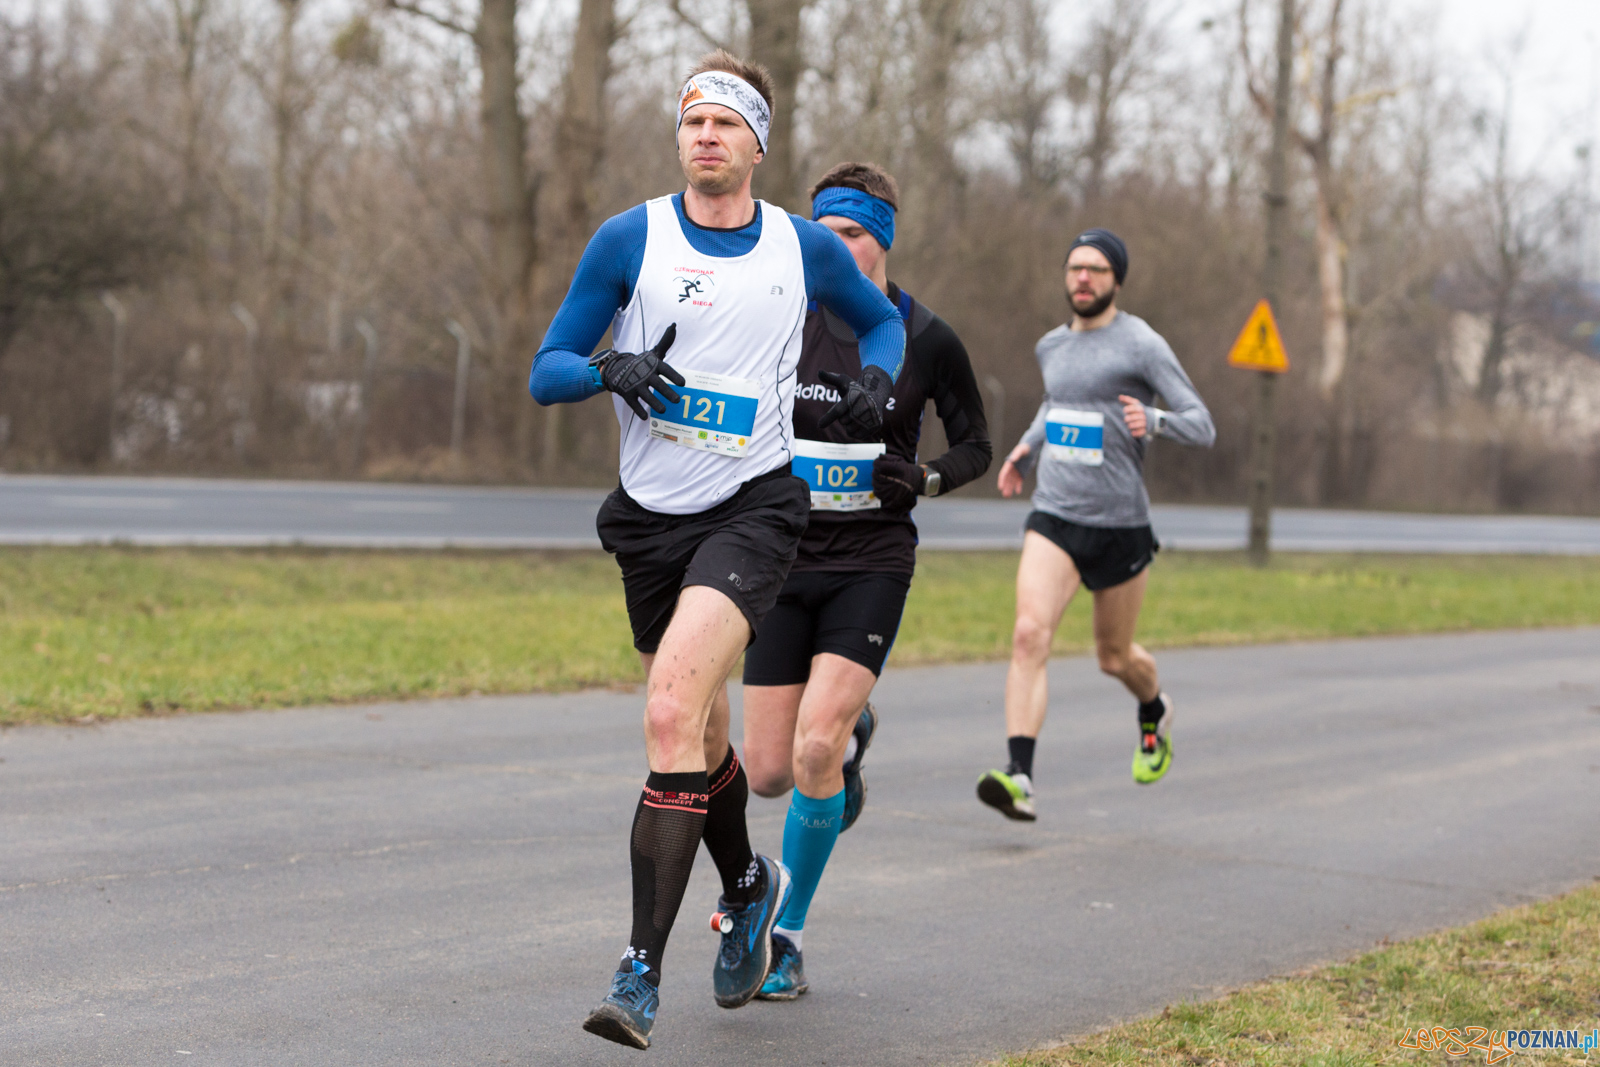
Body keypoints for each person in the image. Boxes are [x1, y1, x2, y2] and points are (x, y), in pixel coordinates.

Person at [527, 52, 906, 1050]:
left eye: (725, 123)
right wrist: (608, 366)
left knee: (664, 712)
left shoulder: (799, 248)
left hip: (753, 507)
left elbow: (882, 323)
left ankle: (638, 972)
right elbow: (545, 369)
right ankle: (747, 880)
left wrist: (876, 378)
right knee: (697, 736)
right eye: (693, 119)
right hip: (651, 517)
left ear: (756, 144)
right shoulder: (630, 239)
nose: (706, 135)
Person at [739, 162, 992, 999]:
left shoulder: (924, 336)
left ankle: (788, 935)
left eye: (850, 234)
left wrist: (923, 480)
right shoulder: (780, 316)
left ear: (881, 238)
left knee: (812, 744)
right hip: (783, 553)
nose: (834, 249)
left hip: (872, 561)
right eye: (822, 234)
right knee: (771, 770)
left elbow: (974, 447)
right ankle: (849, 745)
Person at [976, 228, 1214, 822]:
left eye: (1097, 270)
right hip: (1055, 513)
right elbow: (1057, 402)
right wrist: (1025, 447)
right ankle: (1020, 775)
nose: (1084, 278)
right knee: (1030, 633)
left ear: (1116, 280)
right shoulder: (1050, 346)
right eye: (1076, 268)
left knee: (1115, 657)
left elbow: (1201, 423)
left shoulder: (1142, 344)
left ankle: (1154, 708)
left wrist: (1154, 420)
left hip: (1120, 523)